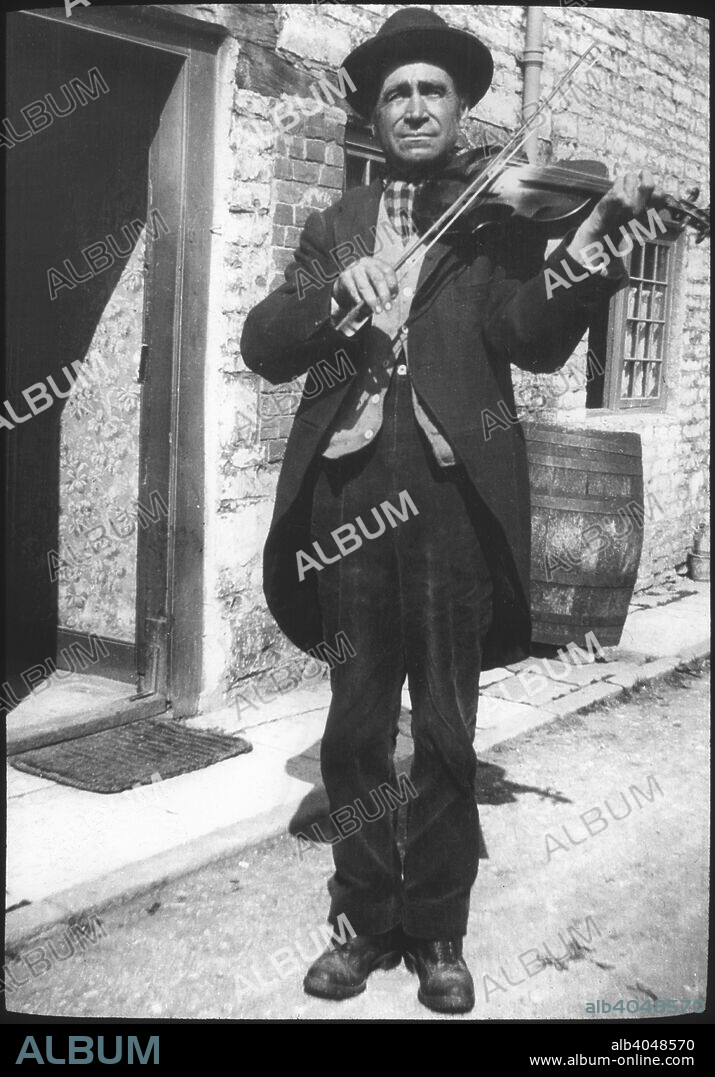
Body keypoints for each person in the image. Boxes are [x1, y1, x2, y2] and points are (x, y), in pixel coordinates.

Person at [241, 7, 656, 1013]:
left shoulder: (501, 223)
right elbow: (266, 342)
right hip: (348, 502)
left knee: (444, 732)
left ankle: (436, 935)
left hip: (450, 506)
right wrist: (335, 297)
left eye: (433, 90)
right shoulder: (333, 226)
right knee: (352, 732)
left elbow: (531, 338)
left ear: (461, 106)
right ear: (375, 114)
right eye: (397, 93)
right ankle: (362, 922)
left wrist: (591, 250)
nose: (416, 107)